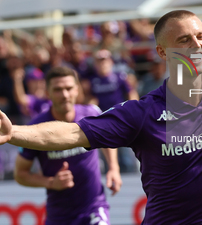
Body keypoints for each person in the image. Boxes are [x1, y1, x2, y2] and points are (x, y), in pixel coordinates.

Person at [0, 10, 202, 224]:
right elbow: (73, 134)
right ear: (162, 53)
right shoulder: (142, 112)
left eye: (201, 36)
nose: (197, 45)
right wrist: (15, 132)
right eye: (184, 40)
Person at [14, 66, 122, 225]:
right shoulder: (35, 128)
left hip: (94, 208)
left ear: (77, 90)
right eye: (58, 90)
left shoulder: (91, 114)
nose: (65, 95)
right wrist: (51, 182)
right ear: (47, 93)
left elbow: (108, 140)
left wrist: (114, 167)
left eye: (69, 88)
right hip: (59, 216)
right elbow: (20, 174)